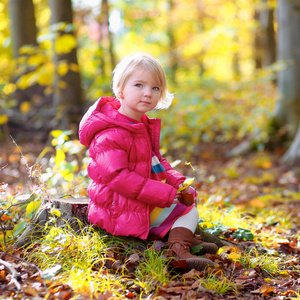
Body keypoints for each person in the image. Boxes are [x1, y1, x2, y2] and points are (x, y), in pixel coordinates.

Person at [79, 52, 218, 271]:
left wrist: (178, 183)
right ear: (120, 89)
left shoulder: (140, 124)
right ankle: (178, 250)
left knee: (188, 200)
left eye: (155, 88)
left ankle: (182, 238)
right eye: (139, 85)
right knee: (186, 210)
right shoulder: (110, 133)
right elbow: (118, 178)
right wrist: (166, 194)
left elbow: (156, 161)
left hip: (136, 198)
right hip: (119, 206)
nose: (148, 93)